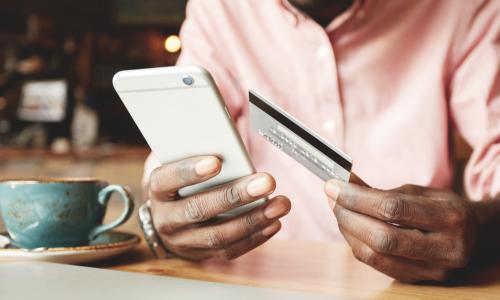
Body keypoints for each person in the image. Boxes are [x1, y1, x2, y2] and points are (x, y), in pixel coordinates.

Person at [142, 0, 500, 283]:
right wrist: (172, 218)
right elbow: (181, 150)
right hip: (260, 282)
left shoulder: (464, 7)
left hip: (413, 289)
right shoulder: (220, 9)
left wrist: (485, 229)